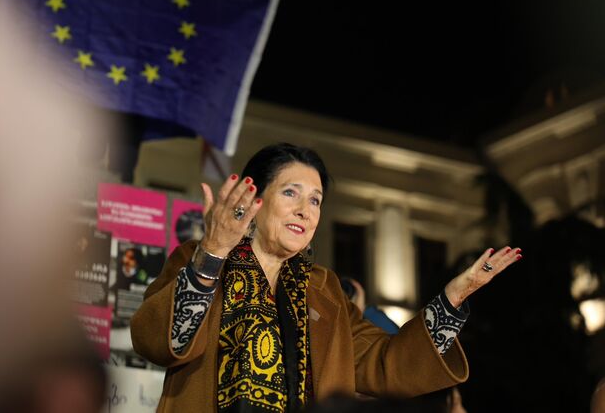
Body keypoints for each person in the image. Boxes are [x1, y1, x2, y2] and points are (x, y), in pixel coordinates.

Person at [131, 143, 523, 413]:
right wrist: (214, 251)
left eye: (315, 200)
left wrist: (452, 300)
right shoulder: (200, 259)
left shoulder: (324, 291)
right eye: (291, 193)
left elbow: (387, 365)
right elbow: (159, 342)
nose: (305, 210)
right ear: (254, 201)